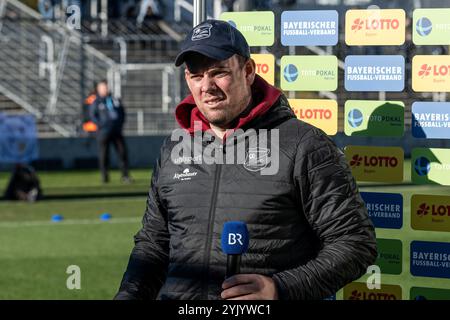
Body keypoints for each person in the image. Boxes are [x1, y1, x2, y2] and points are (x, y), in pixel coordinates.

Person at [115, 20, 377, 300]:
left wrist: (281, 288)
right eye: (196, 76)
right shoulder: (174, 148)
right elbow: (154, 244)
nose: (207, 86)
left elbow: (355, 243)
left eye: (219, 73)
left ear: (249, 71)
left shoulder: (304, 144)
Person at [89, 80, 131, 183]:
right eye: (103, 87)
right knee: (104, 155)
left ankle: (125, 175)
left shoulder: (114, 100)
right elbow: (93, 116)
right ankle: (105, 176)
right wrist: (101, 125)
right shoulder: (96, 101)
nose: (105, 89)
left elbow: (122, 112)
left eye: (106, 87)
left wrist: (119, 124)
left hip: (116, 131)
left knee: (122, 153)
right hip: (104, 132)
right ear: (98, 89)